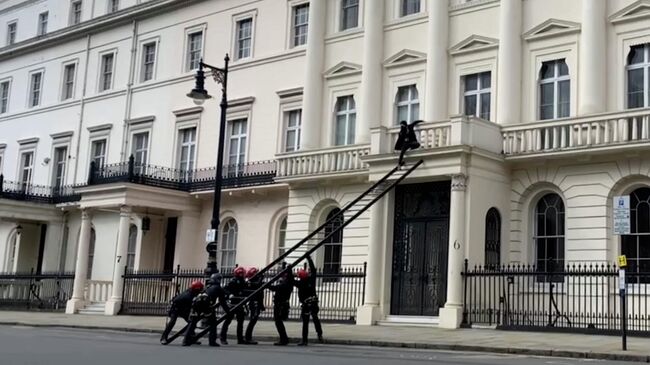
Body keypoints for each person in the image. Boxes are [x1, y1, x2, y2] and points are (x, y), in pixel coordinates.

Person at [182, 273, 228, 347]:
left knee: (193, 323)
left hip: (197, 304)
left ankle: (185, 340)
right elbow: (222, 302)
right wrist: (227, 311)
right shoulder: (218, 288)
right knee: (213, 323)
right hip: (206, 305)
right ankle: (212, 341)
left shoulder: (207, 286)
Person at [161, 280, 204, 345]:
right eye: (200, 289)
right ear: (196, 289)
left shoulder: (192, 292)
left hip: (182, 309)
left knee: (192, 323)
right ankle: (163, 338)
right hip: (175, 309)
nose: (200, 291)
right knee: (172, 322)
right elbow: (191, 306)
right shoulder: (188, 296)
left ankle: (191, 337)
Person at [294, 256, 323, 346]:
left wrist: (288, 270)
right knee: (315, 318)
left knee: (305, 322)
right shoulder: (311, 280)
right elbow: (314, 270)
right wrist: (309, 259)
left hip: (306, 304)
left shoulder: (300, 283)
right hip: (313, 303)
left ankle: (304, 340)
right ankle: (319, 334)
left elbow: (291, 280)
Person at [220, 266, 247, 345]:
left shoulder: (243, 281)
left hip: (240, 303)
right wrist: (230, 294)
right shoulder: (233, 281)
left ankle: (240, 339)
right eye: (240, 273)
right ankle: (223, 338)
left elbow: (244, 290)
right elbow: (224, 289)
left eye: (242, 273)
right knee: (228, 321)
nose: (242, 275)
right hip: (232, 303)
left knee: (240, 322)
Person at [268, 266, 294, 346]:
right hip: (281, 304)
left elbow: (276, 288)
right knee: (279, 322)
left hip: (280, 305)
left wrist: (268, 286)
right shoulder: (287, 282)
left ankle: (283, 339)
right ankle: (284, 338)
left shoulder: (286, 283)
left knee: (278, 322)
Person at [243, 267, 265, 345]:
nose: (257, 275)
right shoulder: (250, 282)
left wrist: (262, 305)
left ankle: (248, 337)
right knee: (253, 319)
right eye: (256, 273)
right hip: (254, 303)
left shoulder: (254, 281)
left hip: (257, 302)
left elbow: (261, 294)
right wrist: (261, 278)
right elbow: (258, 285)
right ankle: (248, 337)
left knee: (253, 320)